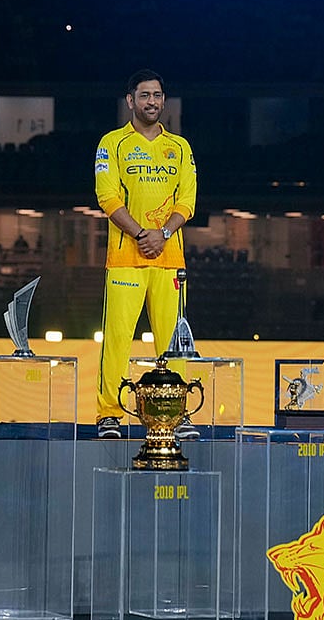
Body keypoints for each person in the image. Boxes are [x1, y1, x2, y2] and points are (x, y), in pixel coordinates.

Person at [94, 69, 198, 440]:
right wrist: (141, 234)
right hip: (126, 258)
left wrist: (164, 233)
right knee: (118, 338)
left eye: (157, 95)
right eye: (144, 96)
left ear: (163, 100)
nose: (151, 102)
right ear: (130, 101)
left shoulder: (180, 148)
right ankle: (109, 414)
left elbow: (188, 202)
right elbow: (107, 198)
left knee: (174, 342)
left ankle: (178, 413)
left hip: (169, 259)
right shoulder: (111, 144)